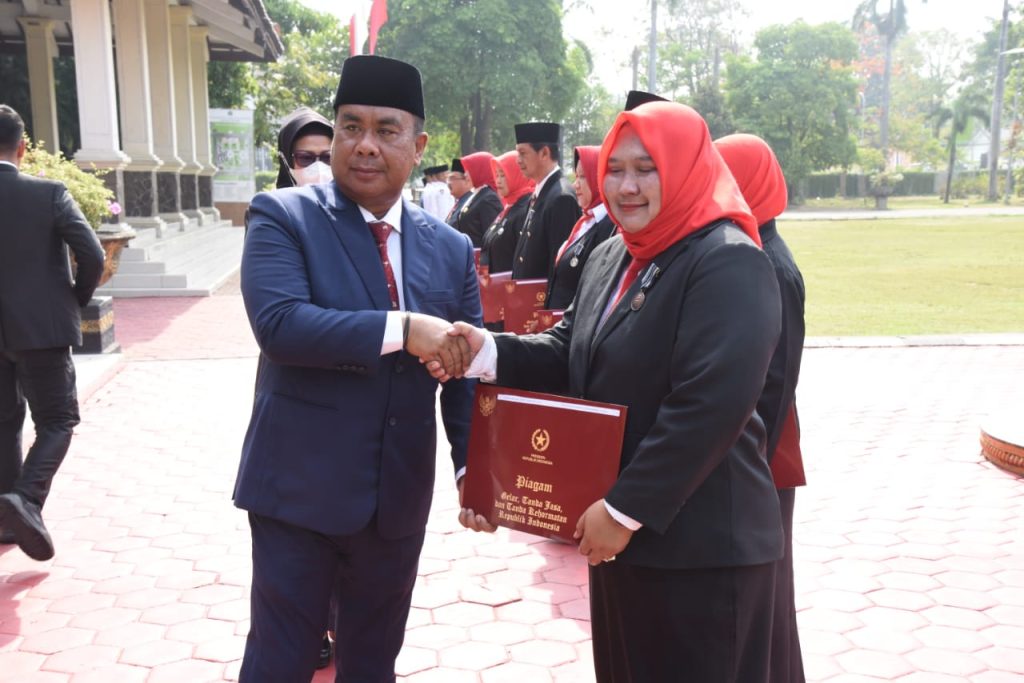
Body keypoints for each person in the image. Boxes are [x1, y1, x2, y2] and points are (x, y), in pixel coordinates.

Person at [441, 101, 784, 682]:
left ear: (686, 168)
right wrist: (485, 350)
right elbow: (569, 347)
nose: (625, 185)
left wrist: (626, 510)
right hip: (618, 534)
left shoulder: (728, 261)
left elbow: (709, 404)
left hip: (698, 547)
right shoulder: (614, 252)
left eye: (646, 168)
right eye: (616, 168)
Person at [235, 55, 480, 681]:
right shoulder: (284, 216)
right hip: (299, 493)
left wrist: (473, 467)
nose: (364, 145)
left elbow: (466, 368)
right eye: (351, 127)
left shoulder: (449, 248)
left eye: (386, 130)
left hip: (395, 500)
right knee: (280, 661)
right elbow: (282, 326)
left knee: (373, 663)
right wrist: (404, 330)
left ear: (418, 143)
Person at [716, 132, 807, 683]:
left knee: (765, 599)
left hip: (763, 459)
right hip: (752, 454)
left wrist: (746, 468)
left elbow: (776, 383)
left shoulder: (772, 264)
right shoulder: (746, 248)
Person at [0, 104, 104, 561]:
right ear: (23, 148)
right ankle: (26, 499)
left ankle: (6, 521)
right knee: (58, 421)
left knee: (4, 422)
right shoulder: (49, 193)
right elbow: (94, 255)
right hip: (42, 329)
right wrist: (73, 301)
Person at [544, 145, 616, 310]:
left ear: (599, 178)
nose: (575, 184)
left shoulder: (609, 226)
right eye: (576, 176)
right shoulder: (585, 222)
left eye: (583, 177)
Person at [510, 121, 581, 279]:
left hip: (540, 301)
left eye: (523, 153)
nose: (518, 160)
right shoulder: (540, 193)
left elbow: (559, 268)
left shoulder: (561, 198)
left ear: (544, 153)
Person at [480, 151, 534, 275]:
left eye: (503, 175)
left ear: (518, 174)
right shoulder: (508, 206)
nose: (498, 181)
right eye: (497, 175)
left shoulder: (525, 209)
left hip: (510, 288)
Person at [448, 152, 501, 248]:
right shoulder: (477, 194)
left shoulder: (488, 198)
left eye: (469, 170)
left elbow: (491, 237)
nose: (466, 174)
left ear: (480, 170)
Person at [445, 157, 473, 225]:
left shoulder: (471, 203)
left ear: (466, 180)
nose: (449, 183)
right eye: (448, 179)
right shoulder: (459, 202)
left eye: (452, 178)